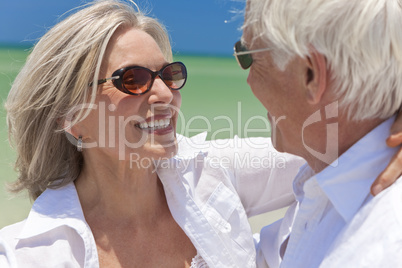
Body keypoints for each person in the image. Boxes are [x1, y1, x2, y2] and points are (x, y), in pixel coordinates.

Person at [0, 0, 401, 268]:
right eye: (134, 80)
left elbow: (343, 145)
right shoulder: (26, 254)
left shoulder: (207, 171)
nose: (165, 94)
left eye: (170, 75)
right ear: (70, 117)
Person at [233, 0, 402, 267]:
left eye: (248, 56)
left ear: (310, 73)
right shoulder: (326, 183)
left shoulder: (382, 248)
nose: (249, 80)